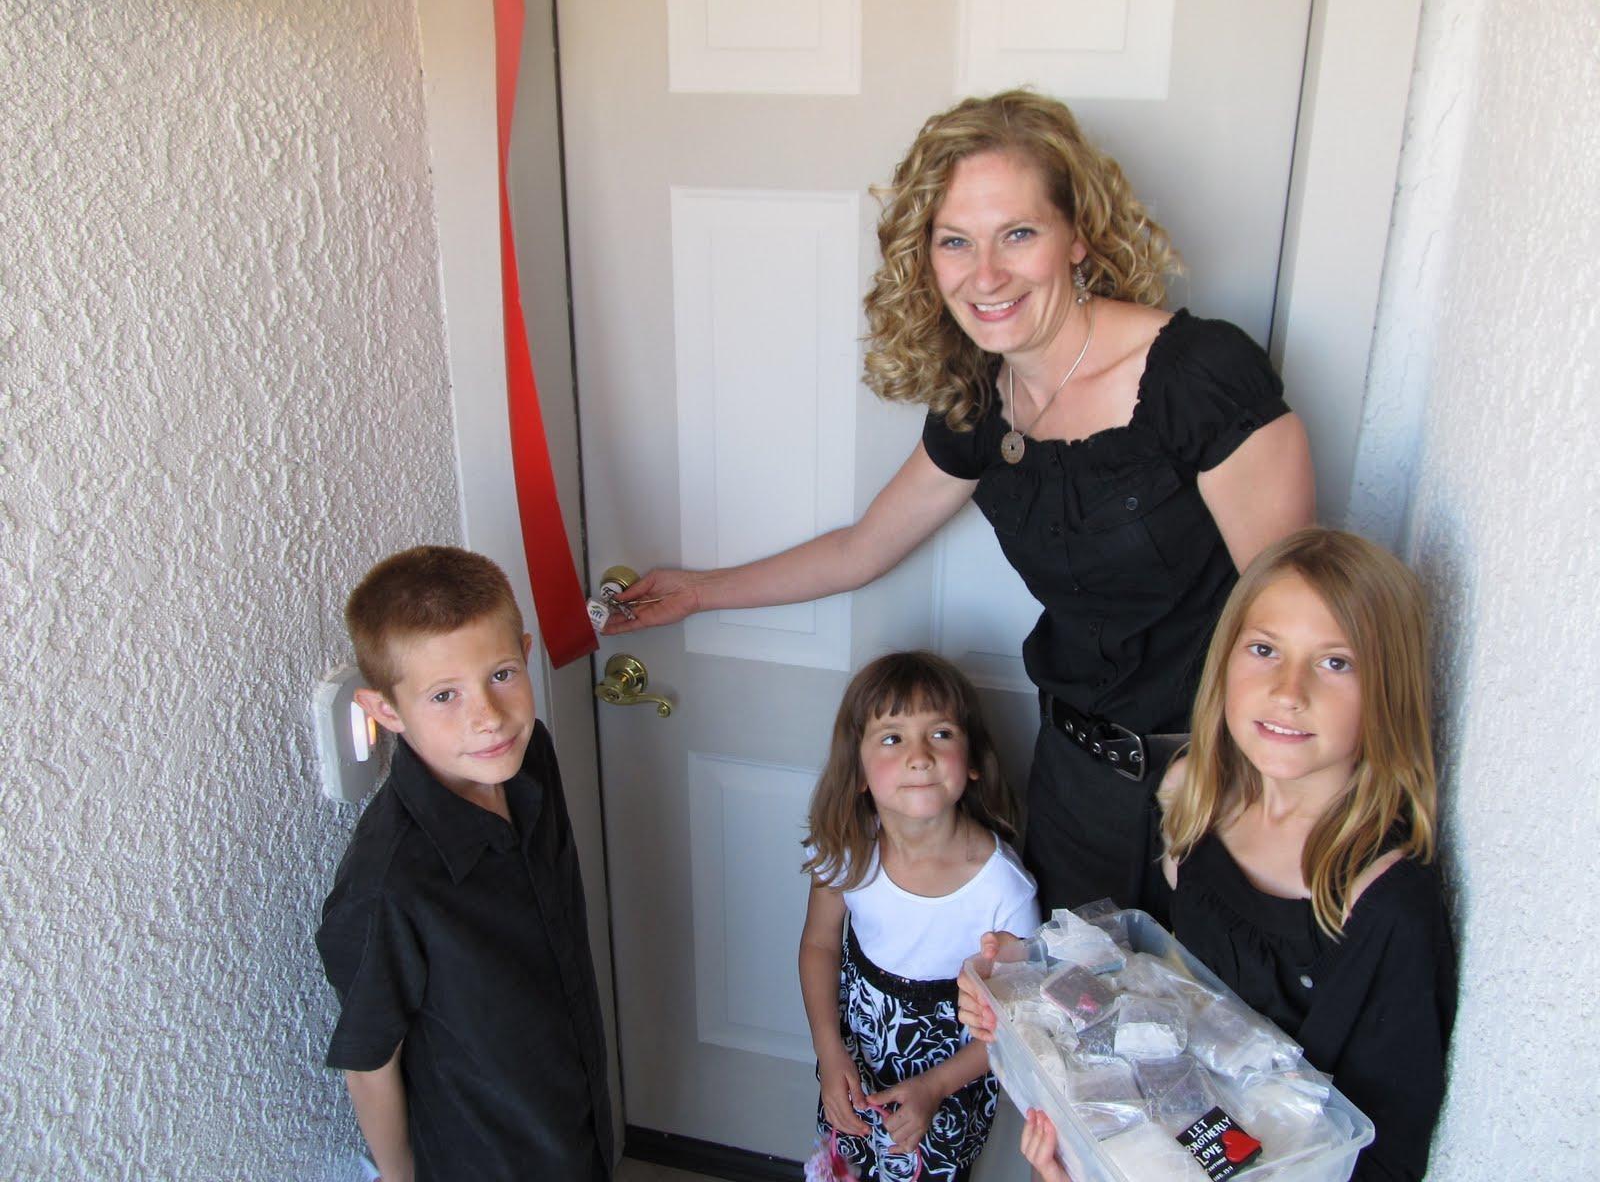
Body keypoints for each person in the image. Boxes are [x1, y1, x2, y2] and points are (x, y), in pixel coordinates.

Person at [607, 90, 1315, 915]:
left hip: (1220, 789)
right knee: (1061, 1032)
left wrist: (1243, 777)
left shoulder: (1200, 375)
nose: (986, 276)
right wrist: (695, 591)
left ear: (1077, 235)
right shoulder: (981, 398)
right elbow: (863, 547)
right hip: (1077, 786)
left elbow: (1299, 620)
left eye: (1018, 233)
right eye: (955, 242)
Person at [962, 529, 1457, 1182]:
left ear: (1389, 692)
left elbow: (1377, 1161)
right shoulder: (1197, 797)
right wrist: (1036, 978)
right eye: (1264, 649)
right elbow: (1158, 989)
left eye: (1336, 662)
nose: (1289, 689)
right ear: (1225, 659)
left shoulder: (1389, 908)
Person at [316, 546, 613, 1181]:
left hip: (574, 1111)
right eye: (444, 695)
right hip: (489, 1161)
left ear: (526, 651)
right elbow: (370, 1062)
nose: (487, 717)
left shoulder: (530, 759)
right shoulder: (387, 886)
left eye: (501, 674)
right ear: (386, 712)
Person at [800, 652, 1040, 1181]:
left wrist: (936, 1087)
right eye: (892, 738)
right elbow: (819, 945)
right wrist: (829, 1051)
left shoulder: (1004, 888)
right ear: (858, 770)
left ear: (972, 759)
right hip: (853, 1065)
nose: (919, 757)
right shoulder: (848, 851)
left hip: (947, 1089)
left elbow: (1020, 1019)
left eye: (941, 734)